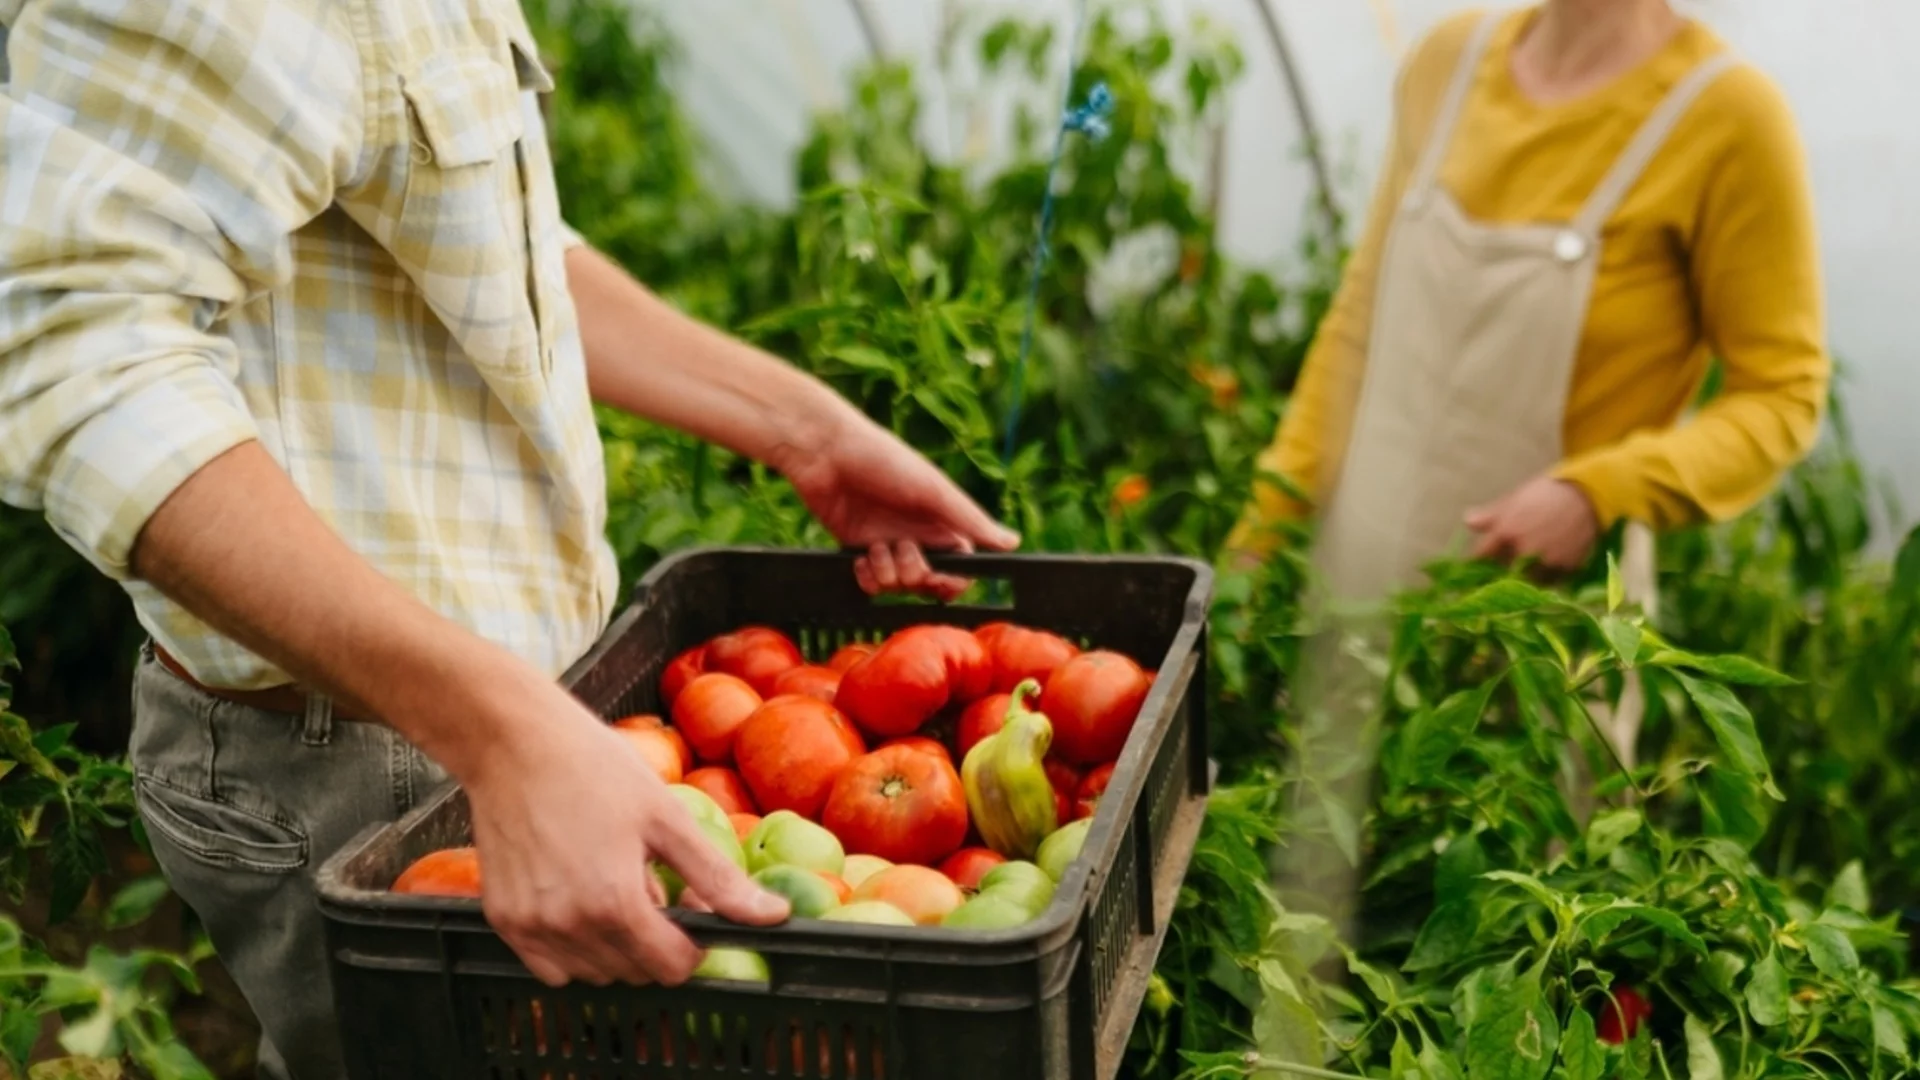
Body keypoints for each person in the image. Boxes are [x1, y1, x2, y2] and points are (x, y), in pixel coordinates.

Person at [0, 2, 1017, 1077]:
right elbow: (77, 362)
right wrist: (499, 732)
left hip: (512, 721)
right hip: (362, 756)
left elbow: (497, 247)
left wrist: (804, 430)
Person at [1227, 0, 1829, 605]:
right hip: (1351, 599)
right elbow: (1361, 324)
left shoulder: (1729, 118)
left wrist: (1598, 493)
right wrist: (1260, 534)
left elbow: (1782, 396)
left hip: (1539, 640)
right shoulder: (1448, 60)